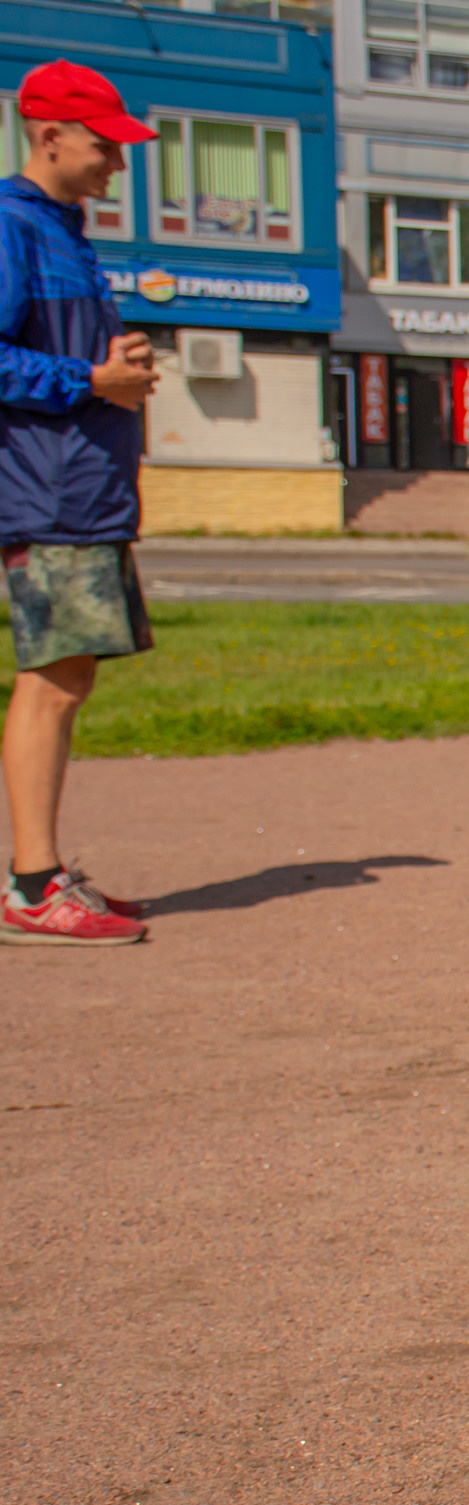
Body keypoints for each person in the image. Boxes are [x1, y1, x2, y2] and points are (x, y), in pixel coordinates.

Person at [2, 61, 160, 947]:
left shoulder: (65, 232)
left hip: (83, 489)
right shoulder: (11, 227)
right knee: (52, 682)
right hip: (47, 489)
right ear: (48, 135)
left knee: (71, 677)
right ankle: (31, 886)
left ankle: (44, 873)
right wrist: (90, 377)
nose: (117, 165)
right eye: (105, 146)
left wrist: (117, 375)